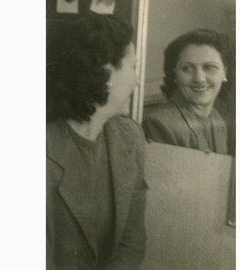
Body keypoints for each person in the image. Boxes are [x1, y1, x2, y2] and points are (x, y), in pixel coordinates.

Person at [46, 13, 148, 270]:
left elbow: (132, 240)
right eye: (133, 67)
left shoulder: (131, 138)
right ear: (105, 72)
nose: (137, 80)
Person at [143, 29, 233, 154]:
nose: (199, 78)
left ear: (225, 72)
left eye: (209, 67)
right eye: (187, 68)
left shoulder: (216, 119)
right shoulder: (159, 123)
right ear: (174, 74)